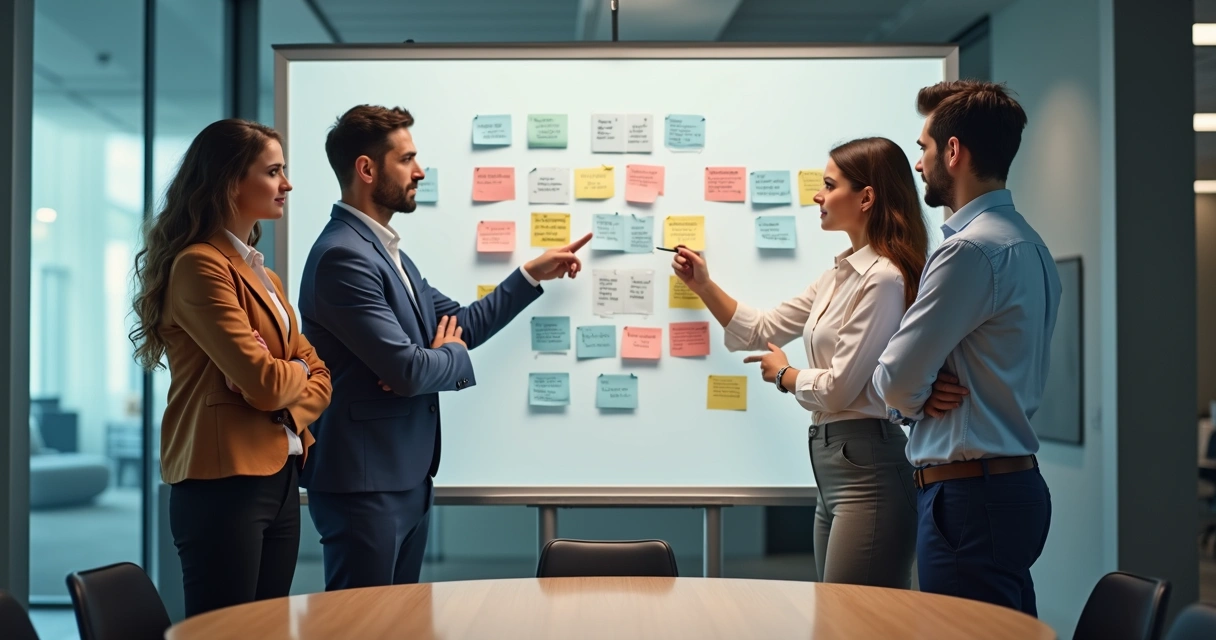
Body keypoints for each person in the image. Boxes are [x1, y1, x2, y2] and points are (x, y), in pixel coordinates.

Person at [298, 105, 592, 591]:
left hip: (404, 479)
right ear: (367, 170)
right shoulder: (342, 257)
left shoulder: (387, 253)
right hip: (364, 487)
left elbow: (459, 324)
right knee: (364, 628)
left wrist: (529, 276)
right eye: (408, 159)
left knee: (401, 626)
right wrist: (448, 357)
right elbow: (410, 370)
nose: (420, 171)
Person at [672, 137, 927, 587]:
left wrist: (787, 375)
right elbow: (762, 329)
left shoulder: (883, 279)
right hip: (833, 469)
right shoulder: (838, 274)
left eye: (828, 185)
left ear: (866, 197)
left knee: (857, 623)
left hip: (868, 467)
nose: (817, 196)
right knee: (835, 618)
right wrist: (703, 285)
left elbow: (841, 388)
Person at [129, 119, 332, 617]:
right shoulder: (200, 265)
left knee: (265, 628)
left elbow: (322, 375)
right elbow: (263, 383)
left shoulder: (266, 276)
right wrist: (289, 373)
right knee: (225, 630)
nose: (287, 184)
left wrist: (290, 385)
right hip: (221, 481)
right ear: (230, 181)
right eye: (274, 171)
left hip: (280, 471)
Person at [873, 80, 1059, 616]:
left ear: (953, 152)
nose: (918, 165)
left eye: (924, 149)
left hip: (968, 498)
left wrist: (913, 398)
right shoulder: (1029, 243)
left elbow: (895, 376)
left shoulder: (970, 251)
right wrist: (920, 390)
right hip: (1009, 485)